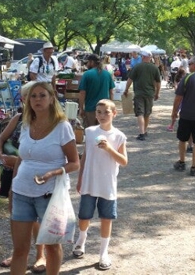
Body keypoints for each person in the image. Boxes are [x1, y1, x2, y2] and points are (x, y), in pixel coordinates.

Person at [9, 81, 79, 275]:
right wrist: (12, 187)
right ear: (27, 100)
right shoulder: (25, 124)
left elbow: (75, 162)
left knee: (51, 246)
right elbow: (21, 159)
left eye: (42, 95)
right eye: (33, 96)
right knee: (20, 249)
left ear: (51, 98)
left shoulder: (62, 126)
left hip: (49, 194)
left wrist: (53, 173)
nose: (37, 100)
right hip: (21, 192)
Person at [0, 81, 47, 272]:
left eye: (39, 96)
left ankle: (40, 255)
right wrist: (1, 156)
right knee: (16, 216)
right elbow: (0, 140)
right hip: (13, 173)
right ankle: (18, 252)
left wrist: (18, 158)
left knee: (36, 218)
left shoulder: (47, 121)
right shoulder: (18, 118)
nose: (33, 100)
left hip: (34, 175)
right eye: (29, 96)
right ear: (24, 99)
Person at [72, 99, 128, 271]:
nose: (102, 116)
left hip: (107, 184)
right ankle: (81, 239)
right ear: (95, 114)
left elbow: (124, 161)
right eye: (99, 112)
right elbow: (85, 157)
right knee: (84, 215)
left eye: (106, 112)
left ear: (114, 114)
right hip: (89, 181)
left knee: (106, 217)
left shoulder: (119, 136)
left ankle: (103, 252)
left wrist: (109, 149)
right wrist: (80, 178)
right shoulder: (89, 132)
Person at [123, 50, 161, 141]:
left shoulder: (137, 67)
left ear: (143, 57)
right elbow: (158, 82)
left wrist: (126, 89)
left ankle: (141, 133)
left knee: (140, 113)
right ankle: (145, 130)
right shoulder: (155, 68)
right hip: (150, 93)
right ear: (150, 57)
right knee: (147, 113)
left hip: (139, 93)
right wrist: (157, 93)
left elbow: (130, 79)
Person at [79, 54, 115, 128]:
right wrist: (111, 107)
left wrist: (81, 108)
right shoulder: (107, 74)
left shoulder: (87, 74)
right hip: (104, 109)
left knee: (90, 131)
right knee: (103, 131)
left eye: (88, 62)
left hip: (90, 109)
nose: (87, 64)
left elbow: (82, 93)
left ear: (92, 62)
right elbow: (111, 92)